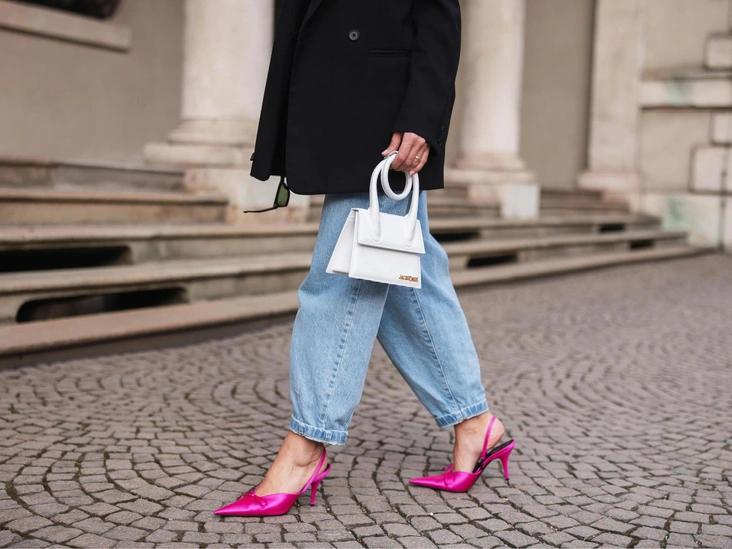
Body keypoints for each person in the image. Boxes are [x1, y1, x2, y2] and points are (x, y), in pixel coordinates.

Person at [214, 0, 515, 517]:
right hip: (344, 97)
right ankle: (475, 423)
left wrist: (422, 114)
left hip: (384, 118)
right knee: (402, 275)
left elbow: (437, 11)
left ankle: (306, 447)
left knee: (339, 281)